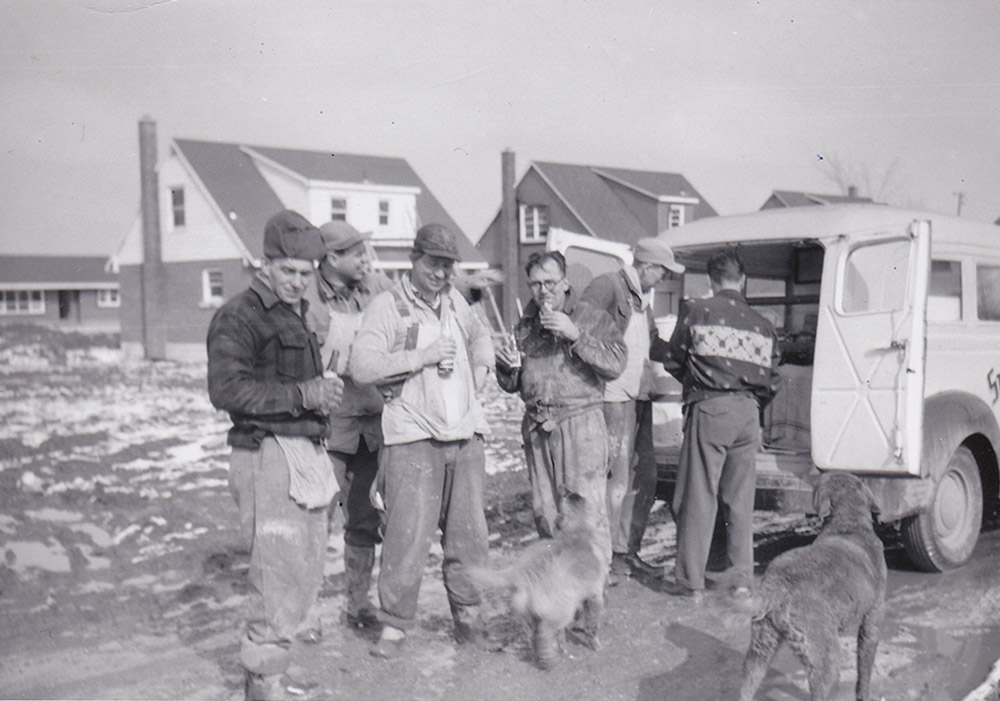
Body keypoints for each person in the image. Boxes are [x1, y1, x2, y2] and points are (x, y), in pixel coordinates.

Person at [207, 210, 345, 701]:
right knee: (275, 576)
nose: (297, 282)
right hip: (266, 456)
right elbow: (226, 389)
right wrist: (305, 395)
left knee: (302, 573)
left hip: (302, 454)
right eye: (287, 271)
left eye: (306, 274)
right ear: (265, 264)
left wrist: (321, 395)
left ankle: (271, 675)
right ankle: (263, 686)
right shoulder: (239, 315)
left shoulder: (296, 314)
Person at [349, 223, 497, 659]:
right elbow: (363, 366)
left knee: (469, 536)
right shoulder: (387, 305)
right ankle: (395, 625)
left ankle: (468, 616)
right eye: (434, 263)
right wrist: (423, 357)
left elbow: (480, 335)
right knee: (406, 536)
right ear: (414, 259)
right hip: (413, 436)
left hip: (465, 435)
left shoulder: (455, 300)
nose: (441, 274)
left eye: (448, 266)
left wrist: (484, 365)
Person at [653, 248, 779, 601]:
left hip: (710, 409)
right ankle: (740, 582)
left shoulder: (697, 311)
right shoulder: (763, 323)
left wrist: (696, 383)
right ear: (743, 280)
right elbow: (773, 377)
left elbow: (675, 359)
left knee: (699, 496)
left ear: (710, 280)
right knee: (740, 502)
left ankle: (690, 581)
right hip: (748, 413)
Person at [495, 251, 626, 569]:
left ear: (566, 282)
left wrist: (575, 335)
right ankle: (563, 595)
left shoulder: (590, 316)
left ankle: (592, 601)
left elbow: (616, 363)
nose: (543, 291)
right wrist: (506, 367)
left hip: (580, 425)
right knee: (547, 514)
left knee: (585, 515)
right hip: (538, 427)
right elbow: (513, 384)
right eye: (536, 284)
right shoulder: (525, 327)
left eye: (550, 282)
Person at [304, 220, 393, 634]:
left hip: (372, 424)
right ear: (331, 258)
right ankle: (306, 612)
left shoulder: (376, 288)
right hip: (329, 427)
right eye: (356, 253)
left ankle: (358, 604)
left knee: (363, 519)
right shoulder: (307, 299)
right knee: (316, 520)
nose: (365, 260)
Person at [581, 238, 685, 580]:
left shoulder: (641, 299)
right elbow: (582, 330)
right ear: (647, 267)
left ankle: (627, 551)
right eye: (663, 272)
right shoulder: (607, 287)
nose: (664, 279)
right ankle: (604, 560)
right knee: (615, 483)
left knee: (644, 478)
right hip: (613, 398)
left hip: (638, 397)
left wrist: (686, 353)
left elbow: (653, 343)